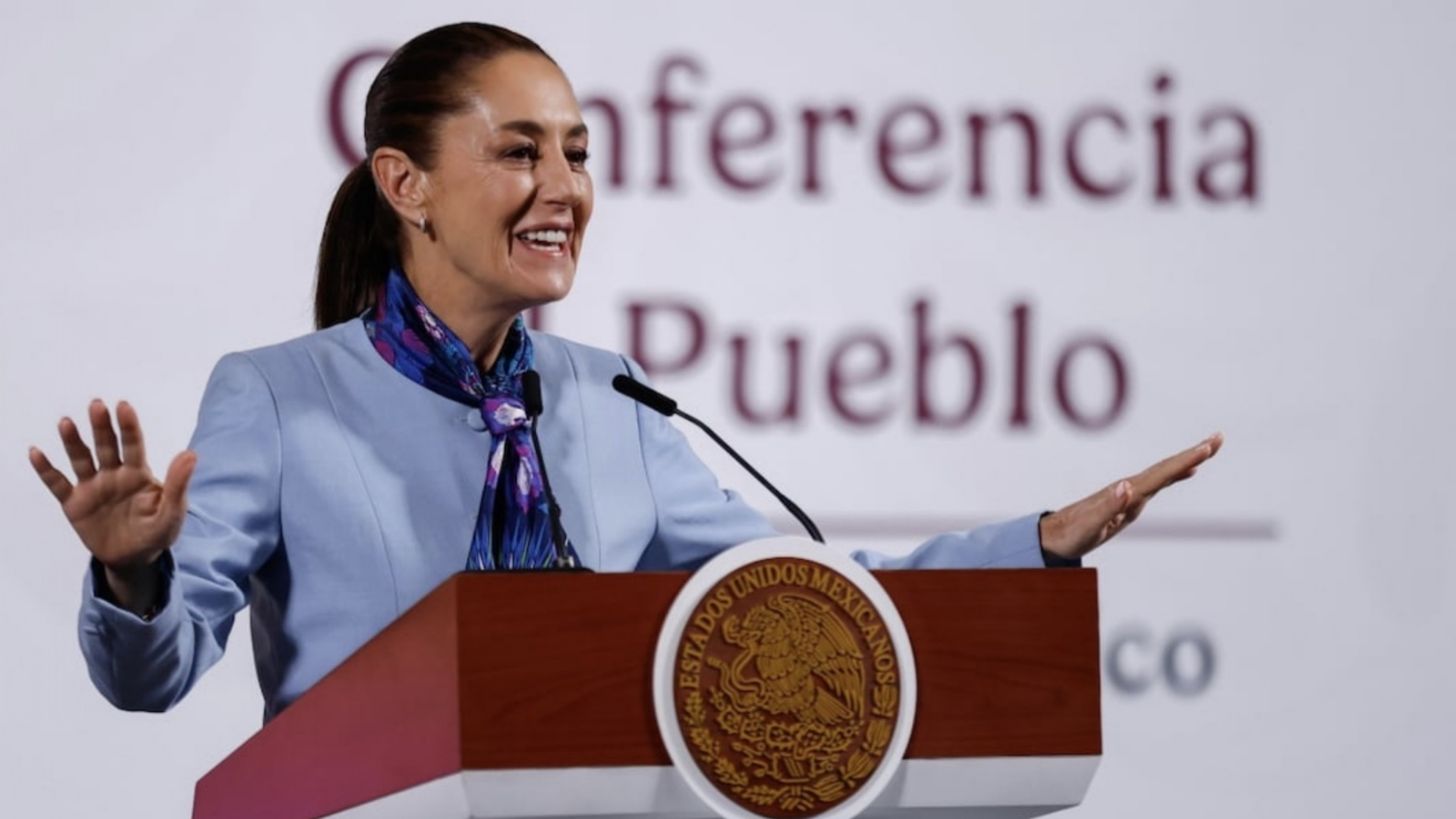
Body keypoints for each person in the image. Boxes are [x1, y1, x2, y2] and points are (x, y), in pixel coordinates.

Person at [27, 23, 1221, 722]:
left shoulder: (609, 397)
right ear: (406, 185)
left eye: (578, 153)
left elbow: (803, 598)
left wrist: (1035, 545)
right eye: (519, 152)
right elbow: (154, 678)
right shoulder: (279, 396)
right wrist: (133, 575)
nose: (564, 188)